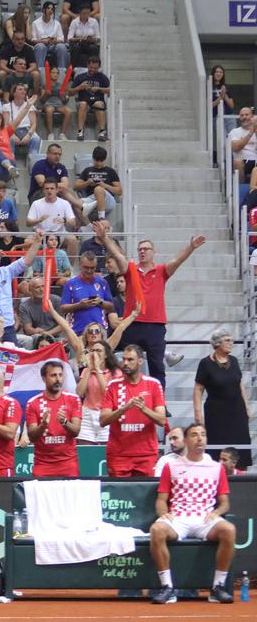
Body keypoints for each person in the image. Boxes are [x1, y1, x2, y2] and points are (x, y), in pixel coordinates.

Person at [99, 223, 205, 389]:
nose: (142, 251)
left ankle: (160, 404)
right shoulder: (130, 269)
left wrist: (191, 247)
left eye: (146, 248)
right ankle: (127, 396)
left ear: (153, 252)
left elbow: (178, 260)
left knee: (157, 367)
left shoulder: (161, 270)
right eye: (140, 249)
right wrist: (105, 239)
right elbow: (118, 255)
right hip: (132, 324)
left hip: (155, 325)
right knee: (128, 364)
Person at [149, 423, 236, 605]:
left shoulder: (216, 467)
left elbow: (225, 503)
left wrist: (217, 512)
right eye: (195, 435)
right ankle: (167, 587)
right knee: (157, 530)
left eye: (203, 435)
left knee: (229, 530)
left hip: (205, 519)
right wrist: (163, 514)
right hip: (178, 518)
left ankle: (218, 587)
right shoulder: (171, 466)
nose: (199, 439)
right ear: (187, 440)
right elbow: (161, 500)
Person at [100, 345, 166, 477]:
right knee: (119, 497)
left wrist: (143, 409)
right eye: (123, 359)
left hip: (146, 454)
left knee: (145, 496)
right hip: (119, 455)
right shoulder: (112, 386)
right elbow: (103, 420)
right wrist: (124, 408)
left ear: (140, 361)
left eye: (130, 360)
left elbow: (161, 420)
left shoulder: (153, 384)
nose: (125, 363)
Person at [193, 329, 253, 470]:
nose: (231, 343)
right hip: (216, 413)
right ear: (217, 343)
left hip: (237, 411)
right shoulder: (205, 363)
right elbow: (198, 389)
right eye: (227, 340)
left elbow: (240, 385)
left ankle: (240, 478)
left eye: (231, 340)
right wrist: (198, 414)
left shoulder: (234, 361)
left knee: (240, 448)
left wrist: (247, 408)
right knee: (217, 449)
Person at [25, 361, 82, 477]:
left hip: (68, 463)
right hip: (43, 464)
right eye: (53, 375)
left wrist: (64, 422)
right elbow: (32, 436)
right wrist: (42, 426)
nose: (58, 379)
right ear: (43, 378)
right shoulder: (33, 403)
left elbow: (76, 431)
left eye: (60, 375)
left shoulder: (73, 399)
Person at [69, 56, 110, 142]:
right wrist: (80, 87)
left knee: (99, 104)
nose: (93, 70)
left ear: (99, 67)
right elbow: (70, 93)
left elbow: (110, 90)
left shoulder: (102, 77)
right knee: (83, 104)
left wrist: (99, 89)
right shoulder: (80, 77)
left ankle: (102, 132)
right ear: (87, 65)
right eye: (91, 67)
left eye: (95, 68)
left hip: (97, 101)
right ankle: (80, 131)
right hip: (83, 102)